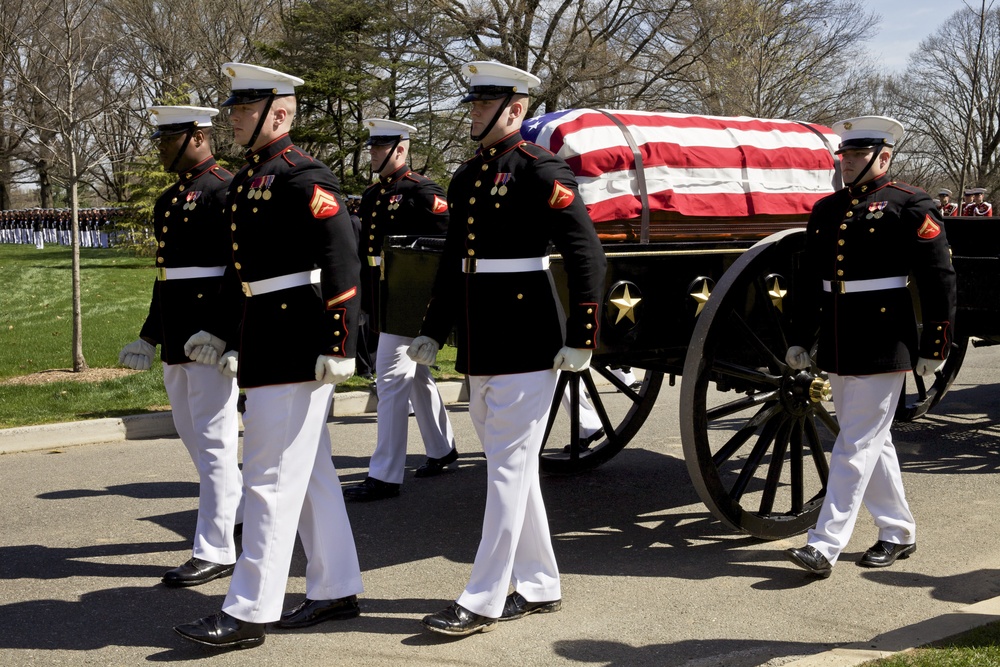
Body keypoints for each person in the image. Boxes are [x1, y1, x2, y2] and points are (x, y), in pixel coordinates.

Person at [407, 61, 607, 636]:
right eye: (471, 103)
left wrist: (582, 337)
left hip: (527, 335)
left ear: (513, 110)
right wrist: (433, 327)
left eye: (481, 104)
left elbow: (585, 253)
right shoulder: (469, 176)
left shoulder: (543, 171)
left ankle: (484, 596)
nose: (471, 113)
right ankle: (540, 583)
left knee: (506, 472)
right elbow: (453, 264)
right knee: (507, 468)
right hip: (482, 335)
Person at [173, 62, 363, 651]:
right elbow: (243, 270)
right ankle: (335, 586)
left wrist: (339, 344)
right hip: (266, 336)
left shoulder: (303, 177)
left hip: (296, 342)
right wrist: (223, 332)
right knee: (310, 479)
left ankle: (251, 609)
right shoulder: (251, 179)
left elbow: (343, 260)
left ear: (278, 114)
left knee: (269, 479)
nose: (233, 115)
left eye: (245, 107)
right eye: (233, 106)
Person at [783, 116, 956, 578]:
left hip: (885, 338)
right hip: (840, 336)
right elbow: (809, 281)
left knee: (855, 441)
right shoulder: (827, 209)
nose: (848, 164)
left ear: (884, 157)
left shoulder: (909, 204)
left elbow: (939, 277)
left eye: (858, 156)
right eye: (845, 156)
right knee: (871, 441)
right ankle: (898, 531)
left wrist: (937, 341)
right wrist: (801, 337)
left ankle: (824, 545)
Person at [118, 105, 244, 589]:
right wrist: (149, 335)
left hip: (209, 338)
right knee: (194, 436)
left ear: (197, 135)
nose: (161, 148)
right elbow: (166, 279)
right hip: (177, 334)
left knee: (213, 442)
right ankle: (238, 511)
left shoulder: (226, 190)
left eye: (168, 139)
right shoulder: (170, 200)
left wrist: (229, 336)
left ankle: (215, 549)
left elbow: (240, 273)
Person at [342, 118, 458, 502]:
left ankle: (385, 474)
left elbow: (446, 249)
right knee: (417, 374)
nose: (372, 153)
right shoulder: (375, 194)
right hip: (385, 296)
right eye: (372, 146)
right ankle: (442, 449)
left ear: (401, 149)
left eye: (379, 147)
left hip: (413, 299)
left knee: (390, 379)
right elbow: (365, 256)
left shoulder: (423, 192)